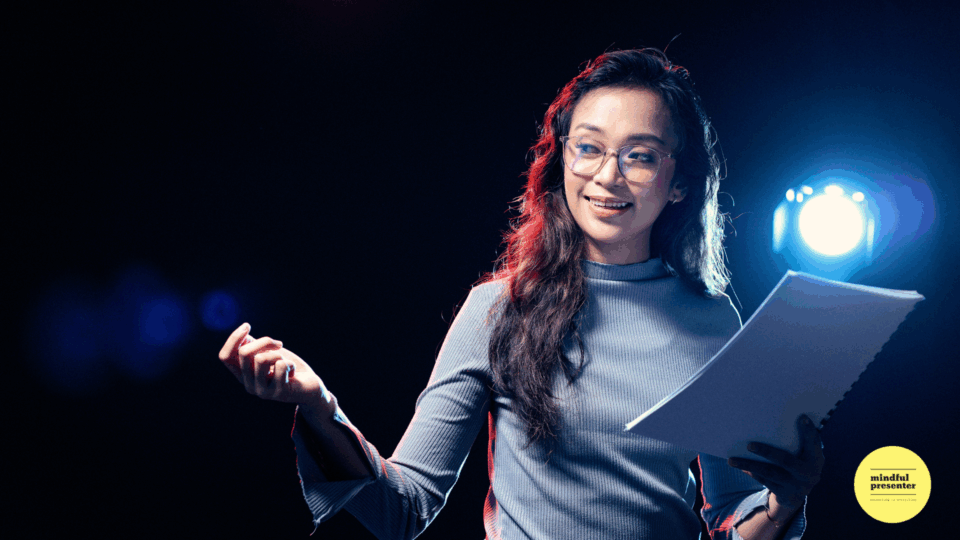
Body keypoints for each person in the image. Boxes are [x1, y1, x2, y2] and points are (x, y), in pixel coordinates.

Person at [218, 48, 824, 539]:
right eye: (588, 147)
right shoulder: (498, 309)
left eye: (640, 156)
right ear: (562, 159)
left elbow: (734, 517)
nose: (608, 175)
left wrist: (786, 499)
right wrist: (321, 407)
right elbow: (402, 509)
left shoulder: (711, 320)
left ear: (680, 185)